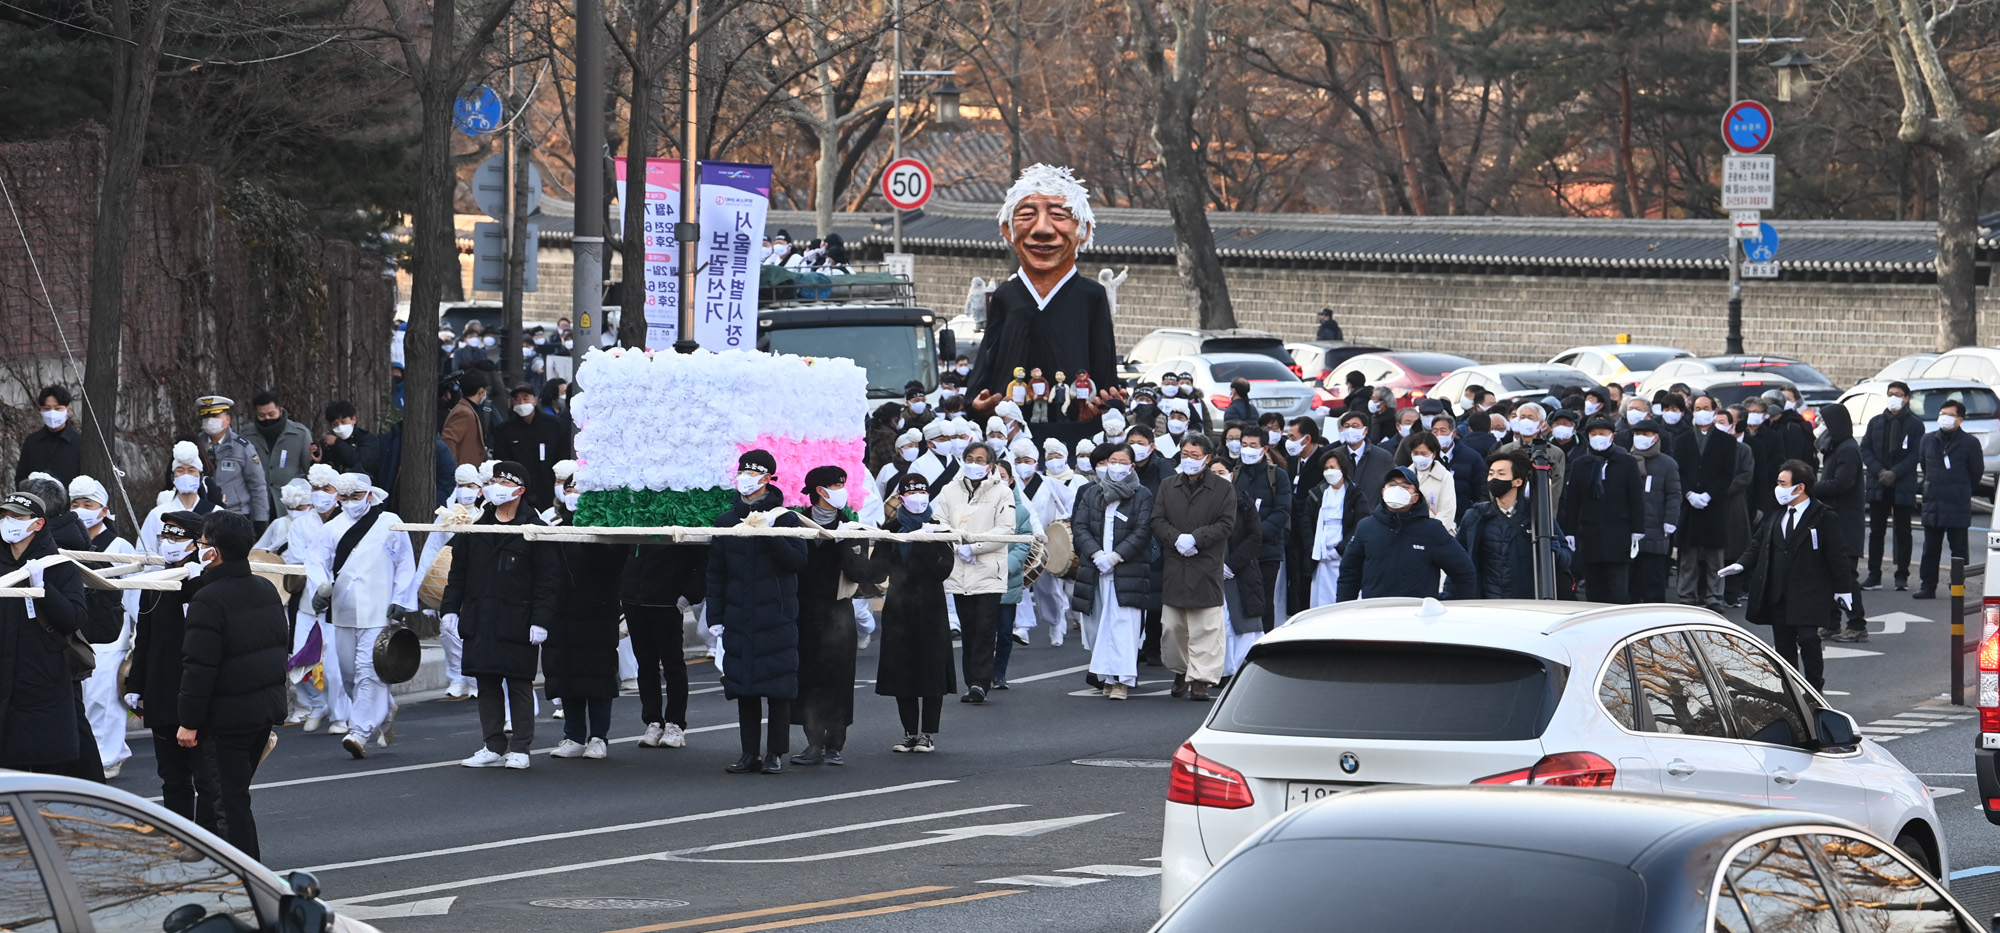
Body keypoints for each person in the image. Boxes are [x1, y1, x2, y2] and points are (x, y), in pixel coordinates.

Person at [963, 165, 1123, 426]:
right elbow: (988, 358)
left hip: (1075, 422)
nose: (1043, 230)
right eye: (1026, 215)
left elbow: (1104, 362)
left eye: (1059, 215)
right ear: (1007, 229)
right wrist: (976, 403)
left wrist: (1107, 402)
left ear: (1084, 231)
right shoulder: (1005, 294)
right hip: (1008, 426)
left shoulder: (1091, 295)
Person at [174, 510, 287, 858]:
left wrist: (188, 721)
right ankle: (212, 865)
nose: (198, 548)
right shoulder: (266, 588)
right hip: (261, 711)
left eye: (202, 543)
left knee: (228, 802)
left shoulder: (208, 600)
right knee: (227, 795)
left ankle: (246, 881)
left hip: (225, 720)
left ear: (215, 552)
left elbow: (199, 667)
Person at [443, 462, 559, 770]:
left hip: (516, 617)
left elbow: (548, 581)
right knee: (487, 681)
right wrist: (450, 610)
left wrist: (541, 620)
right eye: (493, 481)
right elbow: (458, 573)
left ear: (520, 490)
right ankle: (492, 743)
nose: (495, 487)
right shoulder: (476, 527)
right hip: (481, 614)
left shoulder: (534, 531)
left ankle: (521, 746)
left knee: (519, 682)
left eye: (503, 482)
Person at [706, 450, 810, 773]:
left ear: (767, 479)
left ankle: (775, 753)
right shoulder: (726, 521)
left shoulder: (786, 519)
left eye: (754, 474)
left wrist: (768, 533)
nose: (745, 480)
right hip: (739, 616)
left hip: (776, 616)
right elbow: (716, 573)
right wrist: (716, 617)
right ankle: (748, 752)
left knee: (778, 689)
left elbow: (798, 561)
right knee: (743, 687)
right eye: (743, 473)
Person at [1719, 461, 1855, 691]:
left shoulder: (1822, 517)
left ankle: (1814, 689)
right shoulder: (1776, 514)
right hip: (1778, 593)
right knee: (1783, 645)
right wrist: (1740, 565)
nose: (1778, 488)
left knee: (1809, 640)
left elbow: (1837, 556)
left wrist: (1844, 589)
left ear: (1799, 487)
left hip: (1809, 592)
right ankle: (1790, 690)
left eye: (1782, 483)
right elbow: (1757, 544)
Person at [320, 472, 417, 758]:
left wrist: (401, 599)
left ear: (370, 495)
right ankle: (384, 708)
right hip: (344, 608)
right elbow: (317, 563)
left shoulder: (390, 523)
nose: (351, 503)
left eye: (356, 496)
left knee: (368, 670)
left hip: (379, 608)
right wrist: (319, 590)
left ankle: (358, 731)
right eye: (345, 497)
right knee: (349, 674)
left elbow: (405, 562)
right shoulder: (331, 528)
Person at [789, 466, 876, 766]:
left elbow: (861, 574)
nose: (842, 489)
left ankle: (835, 742)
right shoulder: (796, 524)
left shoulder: (851, 528)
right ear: (819, 491)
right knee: (809, 676)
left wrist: (844, 546)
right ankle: (813, 742)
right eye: (835, 485)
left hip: (838, 611)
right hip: (804, 611)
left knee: (838, 677)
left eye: (843, 483)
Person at [0, 491, 89, 774]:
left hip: (43, 685)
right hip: (5, 683)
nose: (7, 521)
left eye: (16, 516)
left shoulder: (58, 566)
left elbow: (74, 618)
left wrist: (43, 589)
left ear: (37, 524)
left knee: (46, 778)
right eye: (4, 516)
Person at [124, 511, 206, 817]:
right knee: (172, 779)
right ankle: (182, 842)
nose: (169, 543)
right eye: (166, 537)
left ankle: (211, 842)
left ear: (196, 544)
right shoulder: (156, 581)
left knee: (205, 777)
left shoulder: (202, 581)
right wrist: (135, 683)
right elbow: (143, 636)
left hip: (193, 693)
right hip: (161, 693)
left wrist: (195, 582)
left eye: (177, 537)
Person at [543, 488, 628, 762]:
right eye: (569, 489)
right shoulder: (557, 528)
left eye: (579, 489)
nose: (572, 495)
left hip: (597, 612)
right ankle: (574, 735)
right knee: (567, 675)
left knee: (598, 677)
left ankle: (599, 737)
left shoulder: (608, 526)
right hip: (562, 613)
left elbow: (614, 565)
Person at [1150, 434, 1237, 702]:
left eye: (1194, 455)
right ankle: (1180, 671)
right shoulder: (1168, 486)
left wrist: (1197, 538)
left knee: (1206, 628)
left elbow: (1226, 524)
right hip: (1176, 565)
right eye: (1185, 454)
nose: (1188, 460)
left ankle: (1201, 680)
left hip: (1205, 565)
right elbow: (1157, 520)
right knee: (1173, 627)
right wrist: (1175, 538)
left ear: (1208, 458)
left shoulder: (1222, 489)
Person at [873, 475, 954, 750]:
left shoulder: (939, 528)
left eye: (922, 490)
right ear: (901, 496)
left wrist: (928, 543)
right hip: (899, 606)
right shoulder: (892, 528)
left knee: (931, 669)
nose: (918, 495)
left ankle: (928, 733)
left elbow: (944, 569)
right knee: (902, 669)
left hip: (931, 605)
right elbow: (877, 570)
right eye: (912, 491)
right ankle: (909, 731)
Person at [70, 475, 142, 778]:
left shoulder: (118, 545)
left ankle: (109, 756)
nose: (82, 509)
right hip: (79, 631)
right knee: (84, 698)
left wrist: (139, 634)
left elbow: (136, 591)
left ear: (103, 510)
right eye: (76, 504)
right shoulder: (67, 543)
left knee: (105, 699)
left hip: (112, 634)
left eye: (89, 504)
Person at [933, 441, 1016, 703]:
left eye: (980, 460)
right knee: (968, 628)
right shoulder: (949, 490)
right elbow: (939, 522)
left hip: (989, 570)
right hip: (959, 569)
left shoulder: (1002, 492)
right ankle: (971, 681)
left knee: (984, 627)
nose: (974, 463)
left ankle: (981, 681)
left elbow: (1005, 530)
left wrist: (975, 548)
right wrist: (957, 546)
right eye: (970, 458)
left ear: (990, 465)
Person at [1073, 444, 1153, 699]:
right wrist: (1096, 554)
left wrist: (1117, 556)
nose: (1116, 466)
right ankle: (1106, 677)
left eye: (1122, 462)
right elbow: (1080, 525)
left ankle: (1123, 680)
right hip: (1096, 568)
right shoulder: (1092, 492)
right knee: (1099, 625)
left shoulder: (1142, 495)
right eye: (1112, 461)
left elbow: (1142, 530)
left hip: (1126, 570)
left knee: (1123, 625)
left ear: (1132, 466)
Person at [1336, 467, 1476, 601]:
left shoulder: (1431, 530)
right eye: (1392, 484)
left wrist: (1449, 603)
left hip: (1418, 616)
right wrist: (1343, 611)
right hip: (1376, 613)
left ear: (1415, 497)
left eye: (1405, 486)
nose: (1397, 489)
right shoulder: (1366, 527)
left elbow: (1464, 571)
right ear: (1383, 492)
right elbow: (1349, 574)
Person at [1451, 450, 1570, 600]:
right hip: (1487, 602)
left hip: (1528, 601)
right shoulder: (1475, 517)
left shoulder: (1537, 515)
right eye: (1491, 474)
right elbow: (1458, 559)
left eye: (1501, 474)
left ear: (1517, 482)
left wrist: (1554, 552)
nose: (1494, 479)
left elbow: (1566, 557)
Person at [621, 541, 705, 750]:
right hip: (635, 601)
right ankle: (653, 721)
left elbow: (703, 562)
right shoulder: (635, 517)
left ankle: (675, 723)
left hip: (666, 602)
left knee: (673, 664)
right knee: (645, 665)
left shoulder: (677, 515)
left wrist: (688, 597)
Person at [1562, 419, 1644, 604]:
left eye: (1603, 433)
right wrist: (1570, 532)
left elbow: (1636, 498)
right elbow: (1572, 501)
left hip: (1619, 532)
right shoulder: (1580, 464)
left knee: (1618, 587)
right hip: (1590, 532)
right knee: (1594, 587)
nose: (1598, 438)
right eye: (1593, 434)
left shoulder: (1626, 462)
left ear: (1612, 436)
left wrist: (1638, 530)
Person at [1673, 395, 1738, 613]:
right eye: (1698, 408)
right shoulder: (1682, 440)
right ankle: (1687, 594)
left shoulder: (1726, 441)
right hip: (1689, 504)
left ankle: (1714, 596)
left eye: (1706, 408)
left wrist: (1710, 495)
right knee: (1688, 554)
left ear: (1714, 411)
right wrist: (1689, 493)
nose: (1702, 411)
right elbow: (1678, 471)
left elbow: (1727, 474)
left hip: (1714, 505)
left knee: (1714, 554)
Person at [1860, 381, 1924, 592]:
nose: (1893, 397)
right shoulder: (1876, 422)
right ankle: (1874, 575)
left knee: (1903, 531)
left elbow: (1916, 454)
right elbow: (1865, 449)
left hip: (1902, 483)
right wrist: (1880, 471)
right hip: (1879, 484)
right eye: (1890, 394)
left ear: (1906, 398)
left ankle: (1902, 576)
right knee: (1876, 532)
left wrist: (1895, 472)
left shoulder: (1915, 424)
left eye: (1898, 394)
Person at [1916, 400, 1982, 599]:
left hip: (1957, 502)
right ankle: (1928, 586)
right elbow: (1924, 466)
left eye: (1950, 415)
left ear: (1960, 419)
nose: (1944, 417)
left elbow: (1976, 472)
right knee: (1930, 549)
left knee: (1959, 549)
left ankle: (1958, 587)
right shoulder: (1928, 440)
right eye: (1942, 413)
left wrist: (1960, 488)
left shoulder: (1970, 443)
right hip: (1933, 501)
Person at [1012, 438, 1075, 647]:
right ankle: (1023, 626)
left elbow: (1071, 501)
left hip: (1046, 541)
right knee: (1018, 584)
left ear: (1036, 463)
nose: (1023, 463)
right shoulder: (1011, 484)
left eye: (1027, 460)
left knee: (1047, 588)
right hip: (1019, 542)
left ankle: (1056, 622)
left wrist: (1064, 524)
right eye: (1018, 459)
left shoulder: (1049, 483)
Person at [1814, 404, 1868, 639]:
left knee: (1846, 575)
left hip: (1845, 522)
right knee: (1828, 574)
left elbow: (1842, 484)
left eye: (1825, 421)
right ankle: (1831, 622)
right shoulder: (1835, 446)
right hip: (1833, 520)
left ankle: (1857, 624)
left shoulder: (1847, 449)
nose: (1821, 425)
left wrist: (1810, 488)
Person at [1211, 458, 1266, 679]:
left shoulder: (1244, 502)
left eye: (1221, 471)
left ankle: (1241, 672)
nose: (1217, 475)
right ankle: (1220, 671)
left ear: (1231, 475)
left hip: (1241, 570)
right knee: (1216, 624)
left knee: (1242, 624)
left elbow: (1254, 536)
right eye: (1212, 472)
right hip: (1210, 572)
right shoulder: (1199, 503)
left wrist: (1231, 564)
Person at [1233, 431, 1290, 630]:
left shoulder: (1278, 476)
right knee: (1239, 600)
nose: (1247, 449)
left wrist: (1256, 534)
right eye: (1244, 444)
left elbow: (1282, 511)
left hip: (1267, 551)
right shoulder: (1236, 473)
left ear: (1265, 449)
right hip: (1239, 551)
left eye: (1253, 445)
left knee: (1263, 601)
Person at [1625, 420, 1682, 603]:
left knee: (1653, 583)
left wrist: (1670, 521)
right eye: (1637, 434)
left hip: (1656, 531)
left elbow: (1674, 494)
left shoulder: (1667, 464)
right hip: (1628, 532)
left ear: (1656, 437)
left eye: (1646, 434)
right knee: (1629, 585)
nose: (1641, 438)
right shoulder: (1626, 461)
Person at [493, 383, 574, 513]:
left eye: (526, 398)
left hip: (548, 489)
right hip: (519, 491)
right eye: (517, 399)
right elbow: (502, 461)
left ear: (535, 400)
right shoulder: (504, 430)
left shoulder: (553, 425)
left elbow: (563, 453)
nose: (521, 402)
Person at [139, 441, 218, 554]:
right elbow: (144, 552)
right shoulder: (157, 514)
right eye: (180, 470)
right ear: (173, 477)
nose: (186, 475)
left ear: (200, 476)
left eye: (191, 470)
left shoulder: (216, 514)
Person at [246, 392, 314, 517]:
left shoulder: (300, 434)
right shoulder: (247, 435)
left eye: (272, 414)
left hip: (290, 505)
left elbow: (309, 470)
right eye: (262, 415)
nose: (267, 419)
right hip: (257, 505)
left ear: (280, 411)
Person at [1492, 402, 1565, 516]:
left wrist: (1548, 517)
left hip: (1541, 513)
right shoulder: (1506, 450)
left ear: (1541, 424)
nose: (1525, 421)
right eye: (1522, 417)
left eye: (1530, 417)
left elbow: (1554, 490)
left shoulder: (1554, 453)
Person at [1396, 431, 1458, 536]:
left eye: (1424, 454)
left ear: (1433, 454)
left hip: (1438, 533)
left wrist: (1430, 532)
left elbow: (1447, 513)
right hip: (1408, 533)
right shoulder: (1403, 476)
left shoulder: (1444, 477)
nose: (1419, 457)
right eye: (1415, 453)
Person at [17, 384, 82, 484]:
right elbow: (21, 477)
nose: (52, 413)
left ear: (67, 411)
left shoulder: (79, 442)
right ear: (40, 410)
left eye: (57, 408)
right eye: (47, 408)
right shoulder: (32, 441)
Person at [1429, 411, 1485, 524]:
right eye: (1435, 431)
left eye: (1443, 431)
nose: (1439, 435)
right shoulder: (1428, 458)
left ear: (1453, 433)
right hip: (1434, 518)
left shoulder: (1471, 457)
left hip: (1463, 518)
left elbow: (1480, 492)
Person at [441, 374, 489, 473]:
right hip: (464, 474)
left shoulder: (466, 409)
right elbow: (448, 440)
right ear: (481, 391)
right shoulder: (464, 412)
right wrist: (456, 469)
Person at [321, 400, 380, 478]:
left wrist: (338, 443)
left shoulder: (368, 439)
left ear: (353, 419)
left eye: (343, 422)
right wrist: (319, 459)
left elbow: (360, 463)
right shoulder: (327, 443)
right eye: (335, 424)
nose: (340, 427)